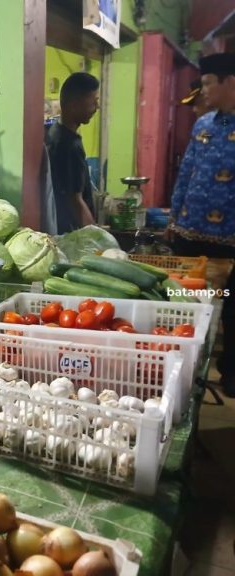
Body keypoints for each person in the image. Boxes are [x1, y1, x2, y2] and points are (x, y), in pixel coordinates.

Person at [168, 52, 235, 396]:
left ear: (230, 82)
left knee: (228, 307)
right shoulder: (204, 125)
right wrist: (173, 216)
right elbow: (185, 174)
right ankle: (182, 370)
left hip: (228, 242)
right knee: (188, 303)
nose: (204, 89)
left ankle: (231, 374)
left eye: (209, 83)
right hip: (189, 236)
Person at [45, 72, 100, 234]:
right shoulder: (67, 144)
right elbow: (74, 201)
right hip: (70, 233)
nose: (96, 108)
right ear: (74, 104)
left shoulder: (56, 133)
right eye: (93, 102)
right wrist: (96, 237)